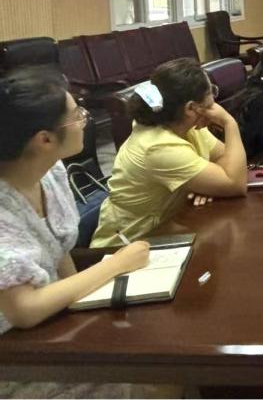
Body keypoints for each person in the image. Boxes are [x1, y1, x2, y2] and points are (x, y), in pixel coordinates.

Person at [0, 68, 151, 330]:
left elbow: (60, 252)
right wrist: (117, 264)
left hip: (53, 315)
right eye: (76, 116)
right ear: (45, 139)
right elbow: (24, 310)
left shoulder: (51, 171)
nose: (84, 120)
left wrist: (83, 310)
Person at [91, 59, 248, 247]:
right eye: (211, 92)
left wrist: (211, 185)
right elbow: (236, 183)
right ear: (191, 108)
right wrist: (229, 123)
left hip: (168, 232)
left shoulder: (185, 125)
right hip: (126, 247)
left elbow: (225, 158)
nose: (214, 98)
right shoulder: (158, 146)